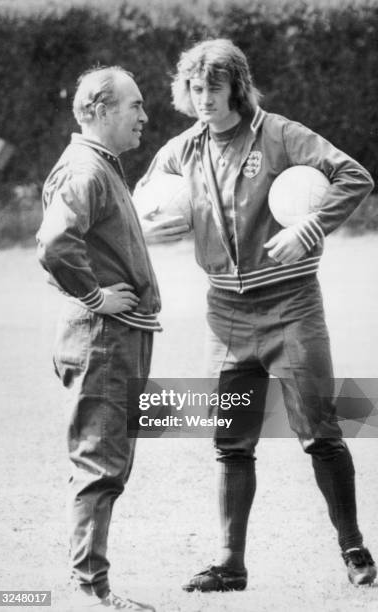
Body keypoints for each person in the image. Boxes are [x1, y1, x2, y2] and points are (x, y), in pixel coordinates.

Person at [136, 39, 377, 592]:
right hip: (224, 313)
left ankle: (354, 547)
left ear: (236, 87)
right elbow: (141, 200)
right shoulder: (183, 150)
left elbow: (354, 176)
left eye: (214, 87)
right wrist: (150, 226)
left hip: (292, 306)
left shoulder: (281, 134)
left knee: (319, 432)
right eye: (195, 88)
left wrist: (309, 228)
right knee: (230, 441)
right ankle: (230, 565)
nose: (204, 99)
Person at [36, 66, 183, 611]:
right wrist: (96, 297)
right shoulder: (86, 169)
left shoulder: (100, 167)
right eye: (135, 106)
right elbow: (54, 245)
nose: (145, 116)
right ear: (98, 110)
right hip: (102, 340)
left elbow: (78, 241)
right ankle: (90, 592)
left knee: (109, 464)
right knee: (101, 464)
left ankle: (91, 584)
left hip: (119, 339)